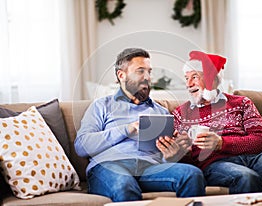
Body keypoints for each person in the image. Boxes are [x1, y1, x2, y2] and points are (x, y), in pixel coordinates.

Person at [74, 48, 206, 202]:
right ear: (121, 75)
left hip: (150, 168)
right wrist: (128, 128)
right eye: (140, 71)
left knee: (192, 174)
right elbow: (82, 147)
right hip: (109, 166)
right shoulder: (101, 106)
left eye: (149, 72)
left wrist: (170, 156)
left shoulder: (161, 111)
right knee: (124, 185)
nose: (147, 77)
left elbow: (165, 158)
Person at [173, 50, 262, 194]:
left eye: (194, 77)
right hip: (215, 163)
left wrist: (221, 143)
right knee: (246, 177)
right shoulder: (180, 114)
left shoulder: (241, 103)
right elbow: (187, 161)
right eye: (186, 78)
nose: (188, 84)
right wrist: (182, 150)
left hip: (256, 157)